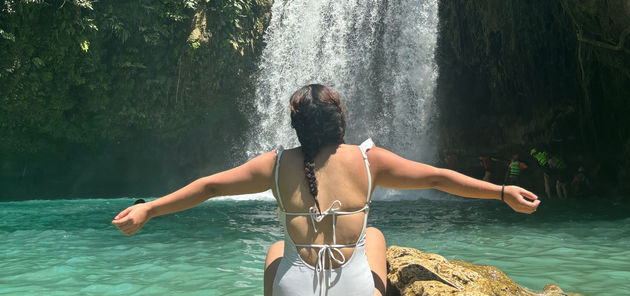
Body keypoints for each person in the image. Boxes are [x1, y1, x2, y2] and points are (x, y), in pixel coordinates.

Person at [112, 84, 540, 296]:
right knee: (373, 236)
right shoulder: (370, 160)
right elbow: (437, 178)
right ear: (339, 121)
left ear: (298, 127)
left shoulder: (276, 164)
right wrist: (502, 192)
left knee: (277, 250)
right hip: (353, 288)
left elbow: (207, 187)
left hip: (294, 289)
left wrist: (148, 210)